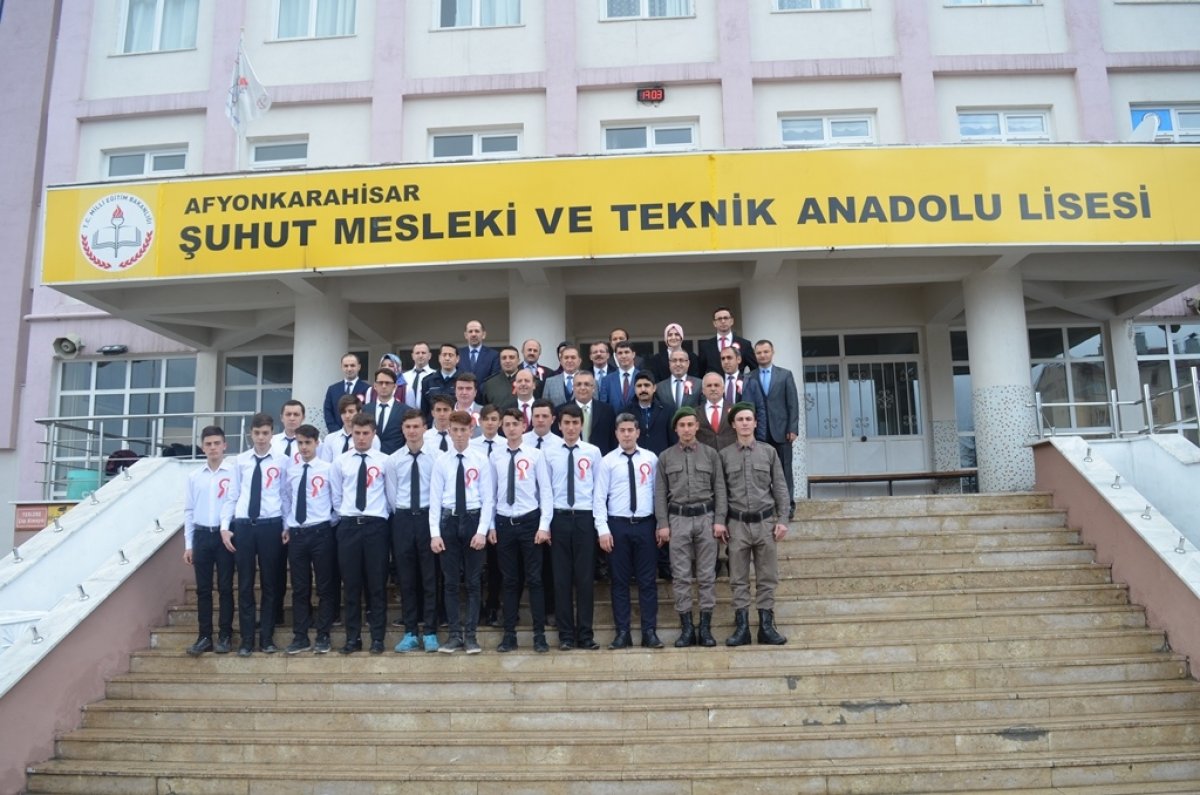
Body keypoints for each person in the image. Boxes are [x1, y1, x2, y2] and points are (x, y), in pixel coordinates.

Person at [655, 407, 728, 648]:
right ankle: (686, 628)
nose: (686, 429)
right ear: (676, 429)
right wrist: (663, 524)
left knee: (707, 576)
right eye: (682, 425)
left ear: (697, 426)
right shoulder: (665, 457)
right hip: (678, 520)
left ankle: (705, 628)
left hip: (706, 518)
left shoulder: (711, 455)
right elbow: (659, 494)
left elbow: (720, 489)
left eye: (690, 424)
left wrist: (720, 520)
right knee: (681, 576)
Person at [719, 403, 790, 646]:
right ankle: (742, 628)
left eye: (749, 419)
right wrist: (721, 522)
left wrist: (783, 520)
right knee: (738, 578)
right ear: (733, 424)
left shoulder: (769, 452)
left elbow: (780, 487)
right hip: (737, 524)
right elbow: (721, 493)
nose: (745, 423)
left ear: (755, 423)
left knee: (767, 576)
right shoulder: (724, 455)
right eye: (740, 420)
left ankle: (766, 626)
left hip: (765, 523)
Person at [594, 413, 663, 650]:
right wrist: (603, 529)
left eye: (630, 430)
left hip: (645, 525)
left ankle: (649, 632)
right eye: (622, 430)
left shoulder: (651, 459)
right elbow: (599, 498)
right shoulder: (608, 461)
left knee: (647, 581)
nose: (626, 435)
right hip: (618, 526)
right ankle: (622, 632)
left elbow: (657, 494)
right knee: (619, 581)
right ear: (616, 433)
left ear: (637, 432)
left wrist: (660, 524)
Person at [489, 408, 554, 653]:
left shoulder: (535, 455)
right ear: (502, 427)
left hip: (530, 522)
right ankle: (509, 635)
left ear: (523, 426)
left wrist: (544, 526)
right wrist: (491, 525)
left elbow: (545, 491)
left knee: (535, 579)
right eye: (506, 424)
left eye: (515, 424)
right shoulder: (495, 455)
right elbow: (491, 493)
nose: (511, 428)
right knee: (509, 580)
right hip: (504, 522)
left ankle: (539, 635)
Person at [429, 411, 495, 654]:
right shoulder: (441, 461)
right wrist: (435, 533)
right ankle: (454, 635)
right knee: (450, 582)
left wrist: (482, 531)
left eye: (463, 430)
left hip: (473, 519)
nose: (459, 435)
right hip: (449, 521)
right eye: (454, 430)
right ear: (449, 431)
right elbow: (435, 499)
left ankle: (471, 636)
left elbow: (488, 499)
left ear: (471, 431)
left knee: (474, 582)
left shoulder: (481, 460)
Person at [329, 413, 392, 655]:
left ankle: (377, 638)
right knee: (351, 585)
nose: (361, 438)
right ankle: (352, 638)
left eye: (366, 433)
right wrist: (347, 515)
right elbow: (336, 496)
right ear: (351, 433)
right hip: (349, 527)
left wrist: (379, 517)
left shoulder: (385, 461)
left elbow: (390, 495)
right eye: (357, 433)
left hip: (376, 527)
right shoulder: (341, 462)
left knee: (376, 585)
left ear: (374, 434)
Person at [229, 412, 291, 656]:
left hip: (270, 525)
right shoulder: (240, 461)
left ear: (272, 433)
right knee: (245, 584)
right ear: (250, 434)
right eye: (257, 433)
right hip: (244, 525)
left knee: (270, 583)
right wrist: (225, 527)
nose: (261, 438)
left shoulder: (282, 461)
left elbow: (286, 495)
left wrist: (286, 525)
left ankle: (266, 637)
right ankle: (246, 640)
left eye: (265, 433)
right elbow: (233, 495)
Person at [544, 404, 603, 650]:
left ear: (581, 425)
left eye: (575, 423)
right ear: (559, 425)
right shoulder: (548, 453)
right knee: (561, 579)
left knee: (585, 578)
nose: (570, 428)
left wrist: (600, 525)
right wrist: (546, 524)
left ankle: (586, 634)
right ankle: (566, 635)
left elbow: (599, 491)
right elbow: (546, 491)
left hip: (584, 518)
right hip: (559, 518)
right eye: (566, 423)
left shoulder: (593, 452)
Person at [386, 409, 441, 653]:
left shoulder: (437, 457)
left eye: (416, 426)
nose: (412, 431)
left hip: (429, 518)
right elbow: (392, 494)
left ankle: (430, 631)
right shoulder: (394, 460)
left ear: (424, 428)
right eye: (408, 427)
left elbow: (439, 491)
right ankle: (410, 632)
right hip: (403, 519)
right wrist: (404, 515)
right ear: (402, 429)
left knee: (430, 577)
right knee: (406, 578)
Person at [182, 425, 237, 656]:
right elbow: (188, 511)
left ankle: (225, 634)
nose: (213, 448)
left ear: (224, 445)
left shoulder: (233, 473)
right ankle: (204, 636)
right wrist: (189, 544)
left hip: (225, 536)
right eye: (208, 444)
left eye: (216, 443)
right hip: (202, 535)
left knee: (225, 587)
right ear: (203, 448)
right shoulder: (194, 477)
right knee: (203, 589)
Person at [283, 424, 337, 655]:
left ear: (317, 443)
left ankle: (323, 634)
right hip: (297, 534)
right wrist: (287, 525)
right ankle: (301, 635)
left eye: (308, 443)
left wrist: (327, 523)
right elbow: (287, 499)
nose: (304, 447)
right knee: (300, 588)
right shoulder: (292, 471)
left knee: (324, 586)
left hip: (321, 532)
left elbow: (337, 499)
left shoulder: (328, 469)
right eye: (300, 443)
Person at [740, 339, 800, 513]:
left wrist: (793, 428)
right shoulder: (748, 377)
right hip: (759, 432)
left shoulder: (785, 375)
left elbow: (793, 403)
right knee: (760, 470)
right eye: (759, 353)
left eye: (766, 352)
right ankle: (765, 505)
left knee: (784, 469)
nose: (762, 355)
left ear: (772, 352)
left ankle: (787, 506)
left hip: (782, 431)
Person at [470, 404, 504, 627]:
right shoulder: (471, 446)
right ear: (479, 422)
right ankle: (477, 608)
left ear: (500, 422)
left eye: (494, 419)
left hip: (499, 512)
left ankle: (493, 605)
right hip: (475, 510)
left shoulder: (506, 445)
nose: (490, 423)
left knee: (495, 564)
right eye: (486, 419)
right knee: (475, 565)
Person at [566, 370, 616, 455]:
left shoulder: (607, 410)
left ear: (593, 388)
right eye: (578, 384)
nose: (582, 388)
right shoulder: (562, 411)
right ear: (573, 388)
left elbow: (613, 439)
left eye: (586, 384)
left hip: (601, 459)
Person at [319, 394, 380, 462]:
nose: (347, 416)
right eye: (343, 412)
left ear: (359, 412)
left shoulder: (372, 438)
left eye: (351, 411)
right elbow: (326, 465)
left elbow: (375, 463)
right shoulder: (330, 439)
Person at [697, 306, 754, 377]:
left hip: (737, 383)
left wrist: (746, 380)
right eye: (719, 319)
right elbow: (700, 373)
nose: (723, 321)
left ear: (732, 321)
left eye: (726, 318)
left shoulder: (745, 344)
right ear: (714, 323)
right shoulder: (705, 346)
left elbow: (754, 369)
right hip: (714, 383)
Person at [323, 353, 369, 433]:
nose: (349, 369)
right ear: (342, 367)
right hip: (336, 434)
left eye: (352, 365)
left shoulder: (367, 389)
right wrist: (337, 432)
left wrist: (358, 431)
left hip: (359, 434)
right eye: (346, 366)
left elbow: (367, 412)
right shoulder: (332, 389)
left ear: (359, 367)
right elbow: (328, 412)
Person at [364, 367, 404, 455]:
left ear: (395, 386)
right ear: (375, 386)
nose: (384, 386)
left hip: (395, 458)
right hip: (371, 458)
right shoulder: (365, 409)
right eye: (380, 383)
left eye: (387, 383)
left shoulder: (405, 411)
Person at [695, 372, 737, 450]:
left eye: (716, 385)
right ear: (703, 390)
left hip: (730, 454)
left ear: (723, 389)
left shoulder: (735, 410)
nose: (713, 389)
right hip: (705, 455)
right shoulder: (696, 413)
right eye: (709, 385)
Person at [420, 343, 461, 419]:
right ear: (439, 358)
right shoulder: (428, 381)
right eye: (444, 355)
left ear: (457, 359)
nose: (447, 358)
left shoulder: (463, 381)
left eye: (450, 355)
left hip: (457, 423)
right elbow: (424, 410)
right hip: (434, 424)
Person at [599, 341, 640, 408]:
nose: (623, 356)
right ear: (616, 356)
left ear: (633, 354)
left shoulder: (642, 377)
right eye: (620, 353)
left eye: (626, 352)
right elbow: (603, 406)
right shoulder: (607, 380)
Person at [402, 342, 435, 410]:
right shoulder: (404, 377)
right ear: (412, 356)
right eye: (417, 353)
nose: (420, 355)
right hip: (406, 414)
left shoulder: (435, 376)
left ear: (429, 356)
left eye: (423, 353)